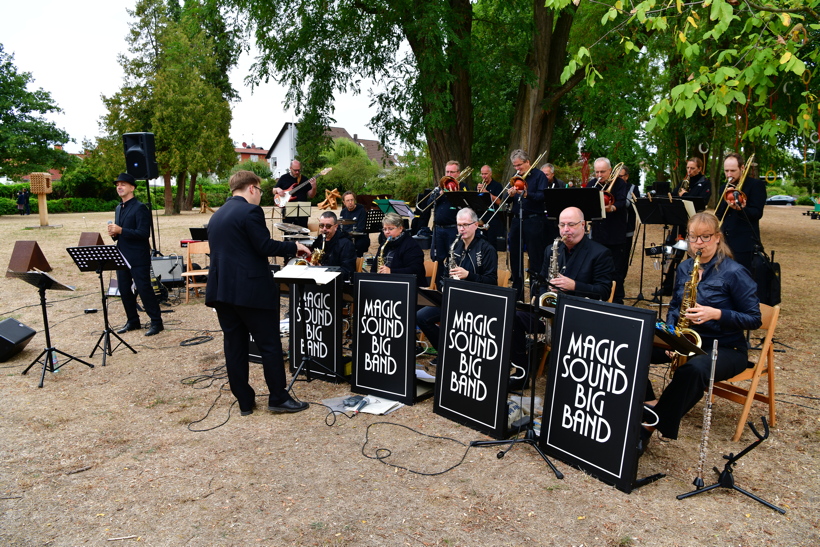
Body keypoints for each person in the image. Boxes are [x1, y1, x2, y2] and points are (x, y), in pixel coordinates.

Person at [641, 212, 761, 454]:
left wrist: (717, 313)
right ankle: (648, 401)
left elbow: (754, 318)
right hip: (687, 340)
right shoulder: (685, 267)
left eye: (705, 237)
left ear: (717, 238)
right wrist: (672, 335)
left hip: (726, 348)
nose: (698, 243)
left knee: (694, 370)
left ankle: (648, 427)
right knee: (636, 347)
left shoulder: (735, 272)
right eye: (694, 237)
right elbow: (676, 305)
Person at [206, 170, 311, 415]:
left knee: (235, 346)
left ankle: (244, 401)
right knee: (269, 345)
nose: (259, 196)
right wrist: (293, 245)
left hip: (222, 292)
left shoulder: (217, 215)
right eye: (260, 191)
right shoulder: (250, 211)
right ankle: (277, 397)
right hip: (251, 291)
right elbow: (263, 246)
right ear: (252, 188)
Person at [511, 206, 615, 390]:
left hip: (579, 317)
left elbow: (604, 290)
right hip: (550, 312)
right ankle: (522, 372)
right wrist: (544, 294)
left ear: (583, 225)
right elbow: (542, 282)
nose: (566, 230)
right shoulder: (551, 250)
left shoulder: (600, 253)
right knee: (515, 318)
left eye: (571, 225)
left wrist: (574, 286)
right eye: (562, 225)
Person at [417, 208, 498, 361]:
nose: (461, 229)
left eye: (466, 225)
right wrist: (443, 285)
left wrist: (469, 275)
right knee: (421, 317)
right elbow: (446, 273)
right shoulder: (456, 246)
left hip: (476, 300)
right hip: (454, 298)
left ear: (476, 225)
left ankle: (459, 354)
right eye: (459, 225)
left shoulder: (487, 249)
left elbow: (492, 281)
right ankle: (445, 352)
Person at [107, 173, 164, 336]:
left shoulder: (140, 208)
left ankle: (156, 322)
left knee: (144, 288)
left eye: (123, 184)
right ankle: (133, 321)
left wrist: (121, 230)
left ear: (132, 187)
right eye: (118, 184)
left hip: (138, 256)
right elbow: (122, 233)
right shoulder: (119, 207)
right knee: (124, 290)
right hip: (122, 255)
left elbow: (143, 233)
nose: (119, 187)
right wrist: (115, 234)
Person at [657, 157, 711, 296]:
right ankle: (668, 286)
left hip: (694, 225)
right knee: (674, 255)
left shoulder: (705, 183)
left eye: (693, 168)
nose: (689, 171)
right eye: (688, 168)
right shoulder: (683, 182)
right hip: (680, 224)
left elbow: (701, 202)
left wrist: (686, 195)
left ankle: (688, 289)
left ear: (699, 169)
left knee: (692, 256)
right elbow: (673, 197)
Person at [585, 157, 629, 304]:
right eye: (597, 172)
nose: (599, 175)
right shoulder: (592, 184)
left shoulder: (620, 183)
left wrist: (612, 208)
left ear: (610, 171)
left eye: (602, 172)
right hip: (598, 234)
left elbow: (623, 202)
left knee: (616, 271)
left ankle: (616, 301)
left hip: (616, 233)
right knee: (598, 268)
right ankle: (599, 298)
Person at [506, 149, 548, 301]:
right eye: (515, 166)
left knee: (535, 258)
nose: (517, 169)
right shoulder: (515, 177)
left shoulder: (539, 176)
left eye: (519, 165)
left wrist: (525, 194)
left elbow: (543, 196)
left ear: (527, 162)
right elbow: (507, 200)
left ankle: (535, 297)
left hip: (534, 219)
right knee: (515, 258)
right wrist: (509, 195)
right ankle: (517, 296)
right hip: (517, 219)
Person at [714, 152, 766, 272]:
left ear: (742, 168)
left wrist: (740, 209)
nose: (729, 175)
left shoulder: (755, 185)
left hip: (745, 242)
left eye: (732, 171)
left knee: (741, 276)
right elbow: (719, 214)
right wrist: (726, 198)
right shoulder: (724, 187)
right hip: (725, 240)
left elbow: (757, 213)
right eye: (726, 171)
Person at [420, 160, 468, 280]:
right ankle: (437, 285)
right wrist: (439, 193)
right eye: (447, 171)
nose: (449, 174)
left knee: (454, 258)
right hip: (438, 229)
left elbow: (467, 207)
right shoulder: (439, 187)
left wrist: (455, 193)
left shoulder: (463, 187)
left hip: (453, 229)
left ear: (458, 173)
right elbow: (428, 205)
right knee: (437, 259)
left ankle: (452, 284)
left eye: (452, 172)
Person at [370, 212, 426, 287]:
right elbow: (374, 267)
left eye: (390, 228)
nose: (387, 232)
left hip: (407, 285)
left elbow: (415, 270)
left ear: (400, 228)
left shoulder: (411, 245)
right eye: (385, 229)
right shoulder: (385, 244)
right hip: (387, 283)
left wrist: (391, 271)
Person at [310, 211, 357, 279]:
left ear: (335, 227)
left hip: (336, 284)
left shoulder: (346, 244)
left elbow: (348, 271)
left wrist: (323, 269)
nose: (324, 229)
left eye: (328, 226)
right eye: (321, 225)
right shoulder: (319, 240)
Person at [274, 160, 317, 229]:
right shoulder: (283, 178)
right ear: (290, 168)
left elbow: (311, 195)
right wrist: (278, 189)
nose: (297, 172)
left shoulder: (304, 179)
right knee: (288, 232)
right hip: (287, 210)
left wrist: (314, 187)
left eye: (299, 170)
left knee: (303, 232)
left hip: (302, 211)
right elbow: (274, 190)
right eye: (295, 170)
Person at [339, 191, 369, 256]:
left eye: (352, 200)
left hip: (360, 237)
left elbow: (361, 228)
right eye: (347, 200)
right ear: (344, 202)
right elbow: (341, 227)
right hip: (347, 236)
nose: (350, 202)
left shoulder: (361, 210)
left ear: (354, 200)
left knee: (358, 244)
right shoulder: (343, 212)